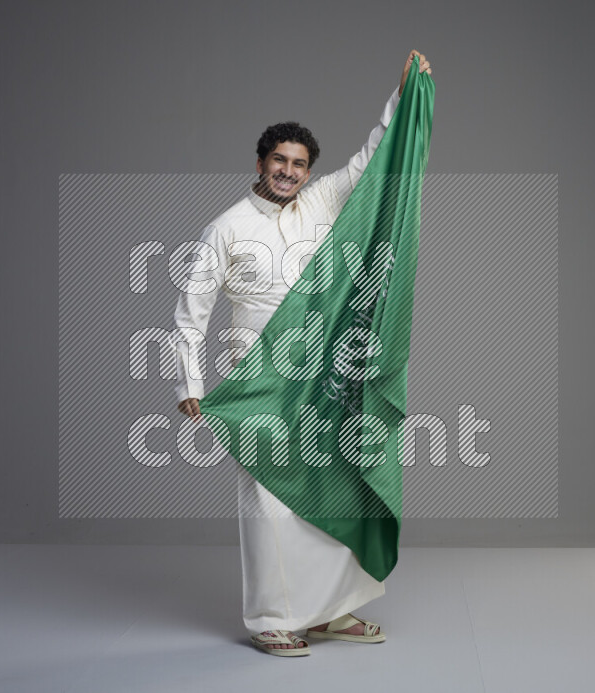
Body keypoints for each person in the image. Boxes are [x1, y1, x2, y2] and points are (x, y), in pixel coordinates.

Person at [172, 50, 432, 656]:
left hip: (319, 367)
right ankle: (271, 618)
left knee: (334, 481)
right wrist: (188, 382)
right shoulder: (227, 227)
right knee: (269, 497)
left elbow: (373, 158)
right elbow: (191, 310)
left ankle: (332, 612)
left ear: (308, 171)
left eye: (299, 164)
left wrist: (403, 96)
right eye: (279, 161)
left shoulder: (321, 203)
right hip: (257, 374)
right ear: (260, 163)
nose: (288, 172)